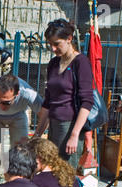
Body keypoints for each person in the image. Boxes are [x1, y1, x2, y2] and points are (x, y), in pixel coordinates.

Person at [33, 18, 94, 170]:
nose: (53, 48)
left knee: (65, 175)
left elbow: (87, 101)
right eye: (50, 44)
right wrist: (37, 133)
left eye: (56, 44)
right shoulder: (53, 64)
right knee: (50, 170)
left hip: (70, 126)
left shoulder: (81, 62)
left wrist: (74, 135)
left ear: (69, 39)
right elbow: (48, 101)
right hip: (53, 125)